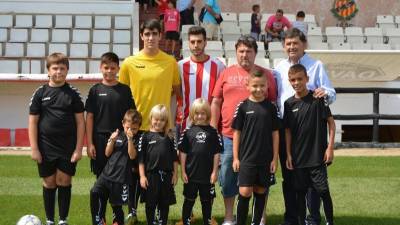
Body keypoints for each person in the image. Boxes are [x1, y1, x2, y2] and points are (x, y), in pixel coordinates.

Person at [210, 35, 277, 225]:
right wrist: (214, 130)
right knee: (228, 176)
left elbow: (271, 104)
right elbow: (216, 101)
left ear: (256, 53)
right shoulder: (226, 73)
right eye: (241, 51)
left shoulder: (266, 75)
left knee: (261, 180)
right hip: (230, 136)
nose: (244, 54)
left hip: (259, 140)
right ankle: (230, 217)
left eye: (249, 51)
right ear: (236, 52)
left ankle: (260, 217)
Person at [274, 27, 336, 225]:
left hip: (311, 133)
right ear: (284, 46)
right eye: (288, 44)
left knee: (313, 182)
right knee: (290, 179)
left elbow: (330, 92)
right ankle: (293, 218)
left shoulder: (315, 65)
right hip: (288, 130)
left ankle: (313, 218)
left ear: (304, 45)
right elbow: (278, 97)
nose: (292, 47)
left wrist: (323, 93)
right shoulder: (279, 67)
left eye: (295, 43)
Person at [29, 53, 85, 225]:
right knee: (49, 182)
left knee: (64, 180)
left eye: (62, 68)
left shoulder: (73, 93)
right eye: (55, 68)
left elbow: (80, 123)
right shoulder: (40, 93)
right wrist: (34, 149)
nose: (58, 71)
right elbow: (33, 121)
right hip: (45, 147)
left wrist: (78, 149)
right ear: (48, 70)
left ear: (67, 70)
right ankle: (49, 220)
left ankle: (63, 220)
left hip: (67, 147)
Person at [283, 64, 335, 225]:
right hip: (298, 158)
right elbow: (288, 131)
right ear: (289, 81)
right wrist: (289, 154)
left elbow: (331, 124)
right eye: (293, 80)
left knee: (323, 191)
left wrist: (330, 148)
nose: (296, 82)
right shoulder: (289, 104)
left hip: (317, 157)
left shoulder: (318, 99)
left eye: (300, 79)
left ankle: (329, 222)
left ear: (307, 79)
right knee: (299, 193)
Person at [231, 70, 279, 225]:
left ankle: (256, 222)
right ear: (247, 85)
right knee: (244, 192)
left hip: (265, 159)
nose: (259, 89)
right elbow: (236, 133)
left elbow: (275, 134)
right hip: (247, 159)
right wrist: (236, 157)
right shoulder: (243, 107)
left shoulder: (271, 107)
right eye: (255, 86)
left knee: (261, 191)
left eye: (262, 86)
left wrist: (274, 158)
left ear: (267, 86)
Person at [119, 19, 181, 132]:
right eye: (147, 34)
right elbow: (121, 96)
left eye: (154, 34)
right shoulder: (129, 63)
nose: (151, 38)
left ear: (160, 36)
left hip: (162, 126)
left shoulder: (171, 62)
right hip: (136, 126)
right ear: (141, 36)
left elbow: (178, 93)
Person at [86, 52, 135, 178]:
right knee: (101, 176)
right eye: (106, 68)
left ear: (118, 69)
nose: (109, 71)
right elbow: (90, 117)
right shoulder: (95, 90)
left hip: (121, 138)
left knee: (119, 175)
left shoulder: (125, 90)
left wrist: (129, 137)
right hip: (100, 139)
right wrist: (90, 143)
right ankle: (102, 199)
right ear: (100, 68)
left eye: (113, 68)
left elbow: (131, 116)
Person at [90, 109, 142, 225]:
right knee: (95, 192)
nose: (130, 131)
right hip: (107, 174)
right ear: (123, 123)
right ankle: (98, 221)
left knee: (116, 206)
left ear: (138, 127)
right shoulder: (117, 135)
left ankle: (118, 222)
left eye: (134, 129)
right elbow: (107, 153)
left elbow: (132, 155)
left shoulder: (138, 139)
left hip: (121, 178)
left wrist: (129, 139)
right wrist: (112, 141)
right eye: (128, 127)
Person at [178, 98, 222, 225]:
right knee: (189, 200)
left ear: (208, 114)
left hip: (207, 176)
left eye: (203, 113)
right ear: (192, 114)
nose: (200, 116)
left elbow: (216, 153)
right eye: (197, 113)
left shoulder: (213, 132)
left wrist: (215, 172)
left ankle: (207, 221)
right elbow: (183, 153)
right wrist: (183, 171)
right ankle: (185, 220)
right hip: (191, 175)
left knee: (206, 201)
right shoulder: (187, 132)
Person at [178, 25, 225, 131]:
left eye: (199, 41)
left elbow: (221, 96)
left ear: (205, 42)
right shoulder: (180, 66)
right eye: (192, 42)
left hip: (211, 126)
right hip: (187, 126)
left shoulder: (218, 66)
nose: (196, 45)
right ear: (188, 43)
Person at [138, 104, 179, 225]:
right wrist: (142, 176)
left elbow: (174, 159)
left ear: (166, 121)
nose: (158, 122)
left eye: (162, 120)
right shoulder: (145, 137)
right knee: (150, 204)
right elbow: (141, 160)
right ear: (151, 118)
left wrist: (175, 174)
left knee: (164, 204)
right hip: (151, 176)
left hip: (166, 176)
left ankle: (162, 222)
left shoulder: (170, 137)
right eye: (156, 119)